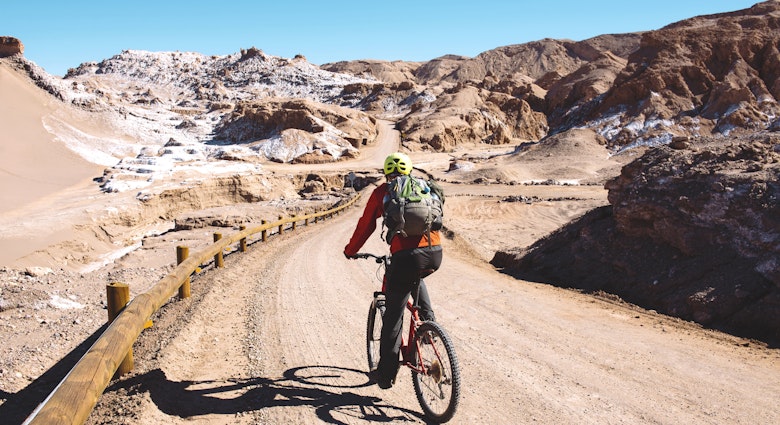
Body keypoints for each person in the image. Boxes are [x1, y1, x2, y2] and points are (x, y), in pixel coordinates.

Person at [344, 152, 443, 389]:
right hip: (435, 252)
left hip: (405, 256)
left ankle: (386, 374)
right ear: (409, 170)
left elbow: (366, 225)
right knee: (416, 276)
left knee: (392, 317)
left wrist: (350, 250)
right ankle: (428, 327)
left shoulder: (384, 191)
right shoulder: (423, 187)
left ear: (387, 173)